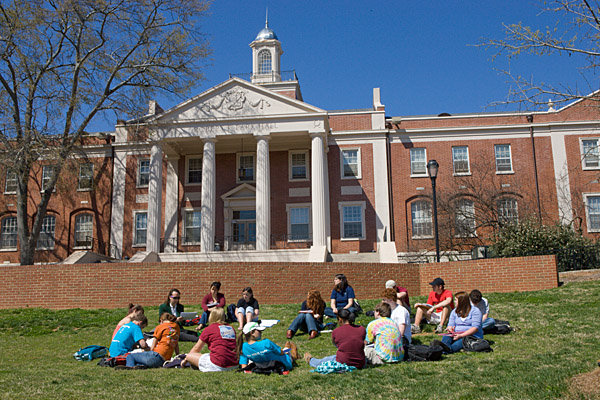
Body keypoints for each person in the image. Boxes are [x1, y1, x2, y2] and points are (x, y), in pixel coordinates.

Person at [184, 307, 238, 372]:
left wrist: (186, 358)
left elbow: (196, 348)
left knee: (190, 356)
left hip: (218, 365)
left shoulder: (209, 329)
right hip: (234, 364)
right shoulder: (231, 328)